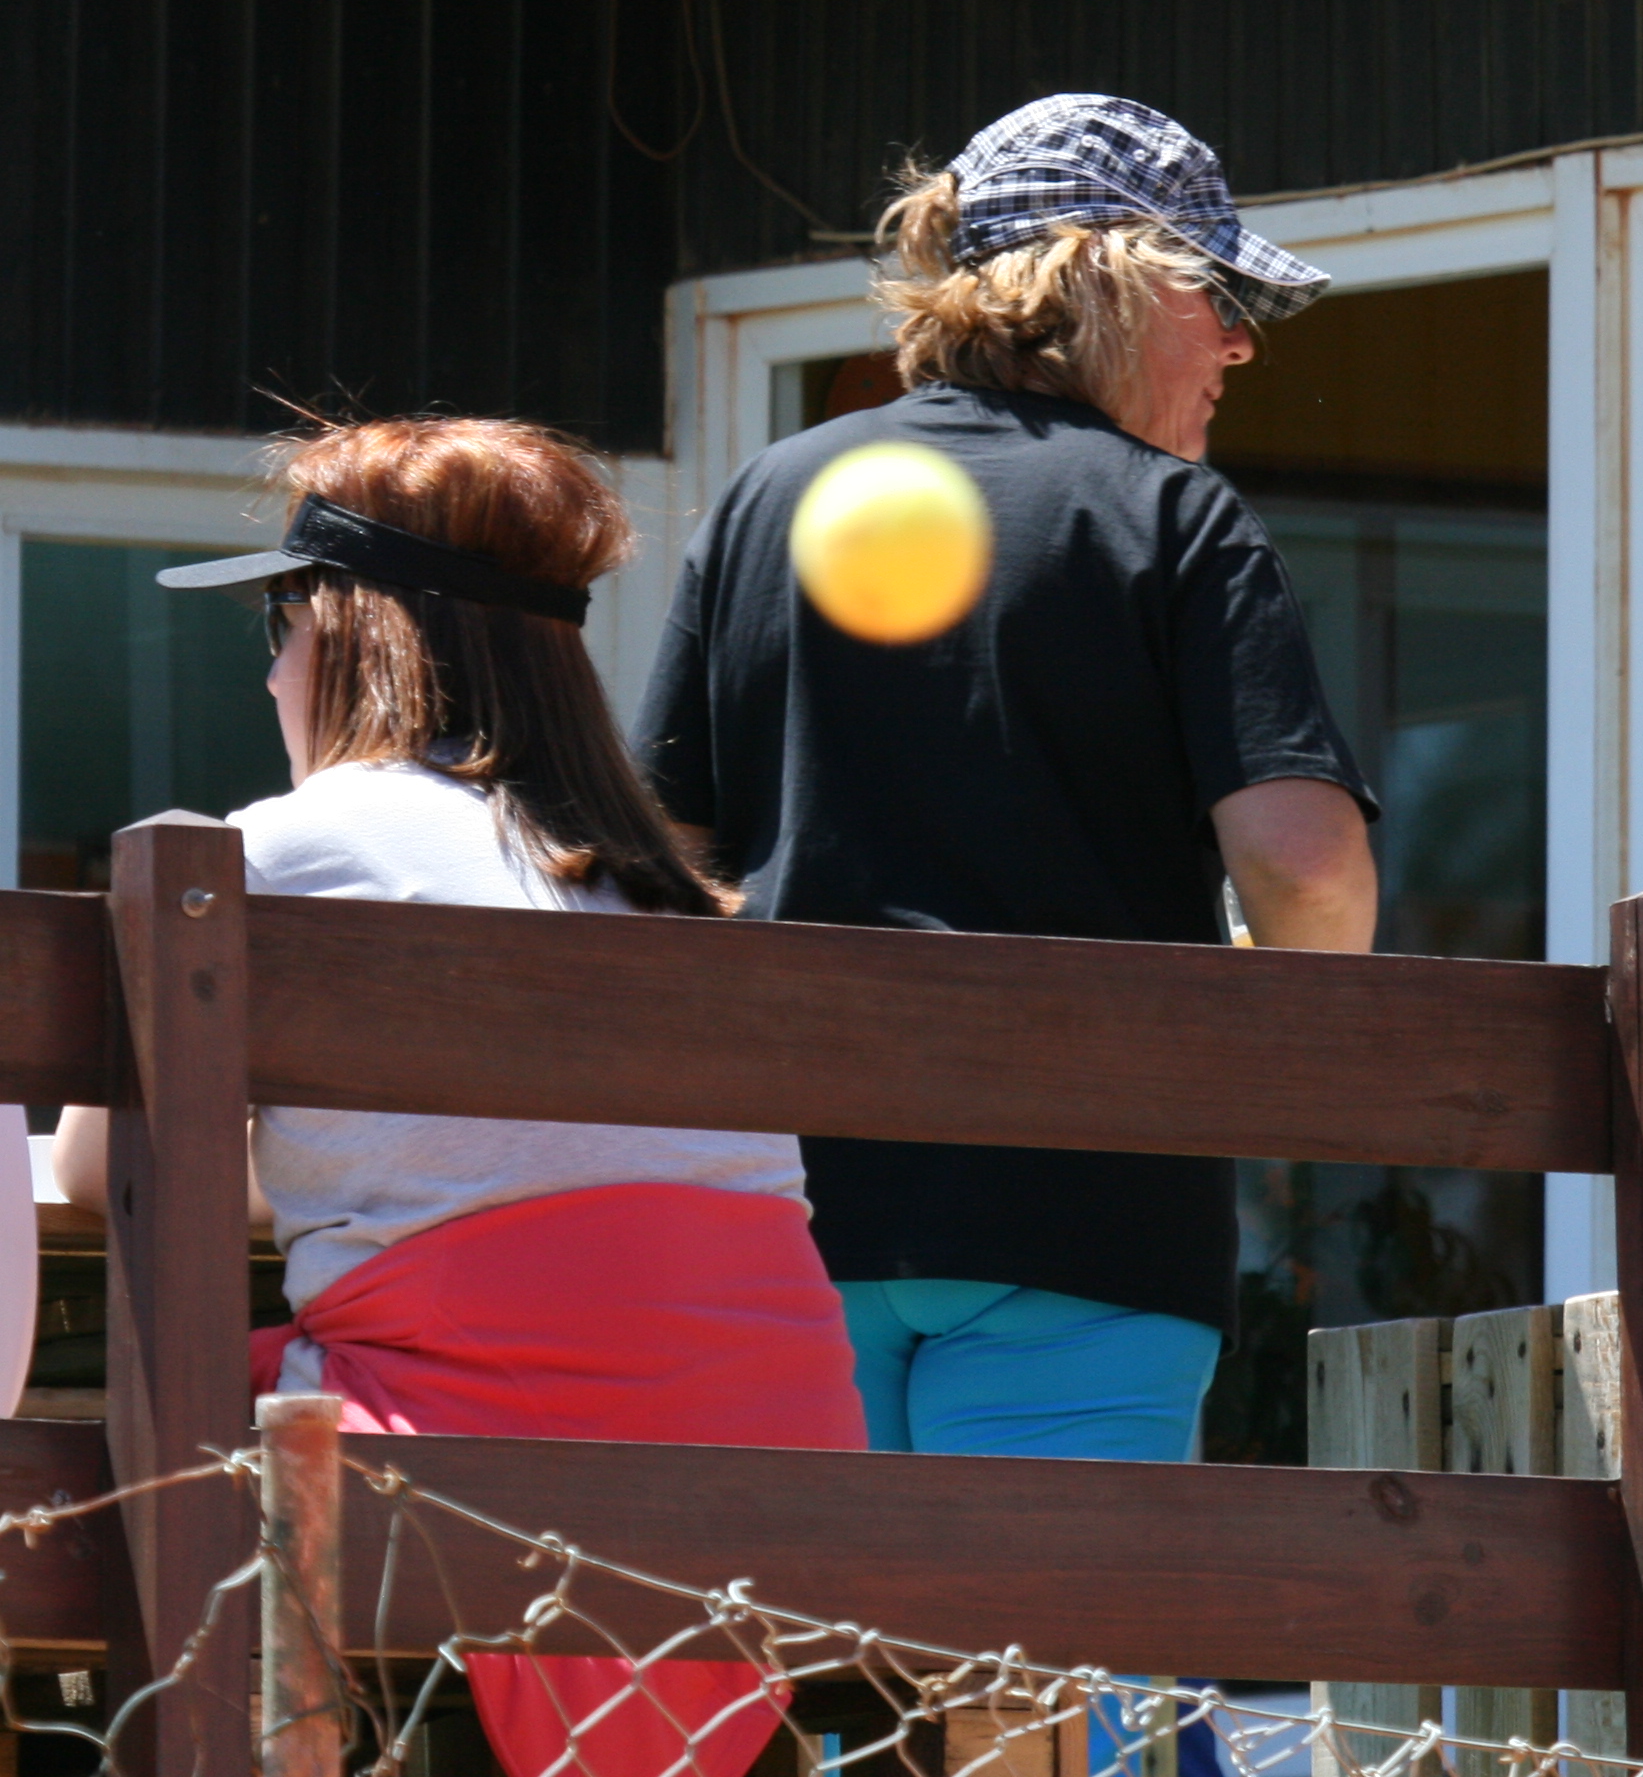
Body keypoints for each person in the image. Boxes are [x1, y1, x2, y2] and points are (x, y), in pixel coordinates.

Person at [59, 417, 864, 1777]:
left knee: (110, 1455)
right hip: (783, 1476)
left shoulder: (279, 851)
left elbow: (101, 1174)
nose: (269, 675)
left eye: (280, 624)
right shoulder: (676, 895)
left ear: (343, 630)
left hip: (476, 1475)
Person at [634, 94, 1380, 1480]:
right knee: (1052, 1621)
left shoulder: (767, 496)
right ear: (1107, 280)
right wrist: (1291, 1041)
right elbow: (1309, 869)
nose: (1240, 342)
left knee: (817, 1616)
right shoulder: (1173, 515)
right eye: (1216, 297)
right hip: (1089, 1214)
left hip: (794, 1209)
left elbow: (662, 862)